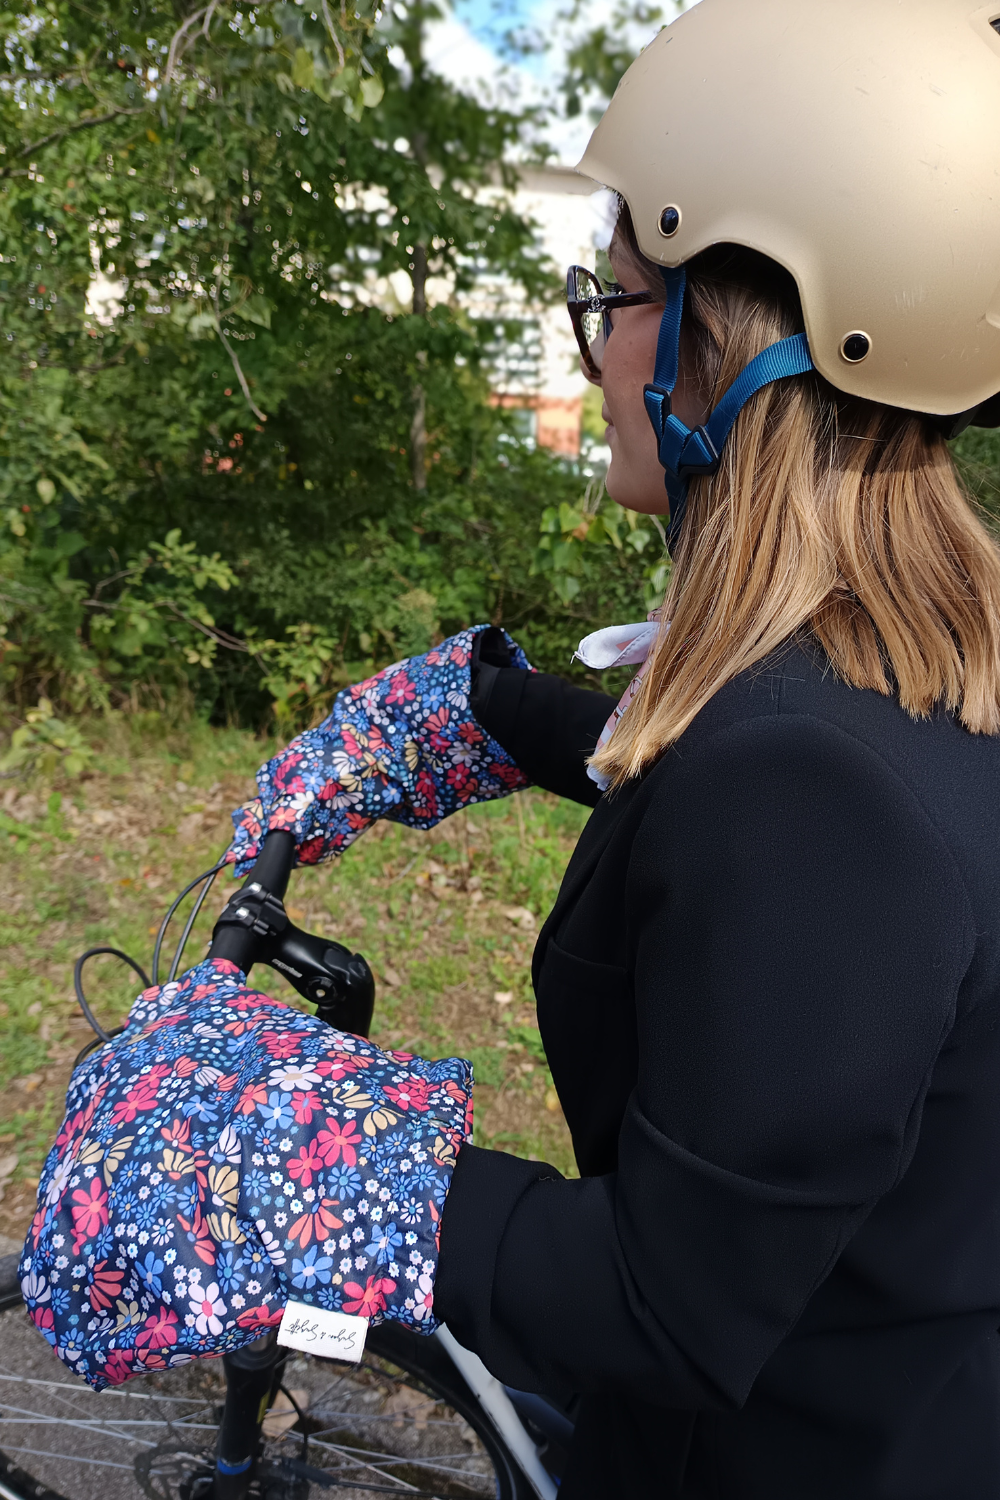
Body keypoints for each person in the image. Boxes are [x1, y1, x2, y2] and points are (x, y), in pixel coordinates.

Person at [25, 0, 1000, 1492]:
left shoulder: (821, 793)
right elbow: (726, 769)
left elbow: (677, 1297)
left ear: (714, 345)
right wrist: (482, 719)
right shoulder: (900, 672)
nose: (597, 350)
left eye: (610, 300)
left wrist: (309, 1157)